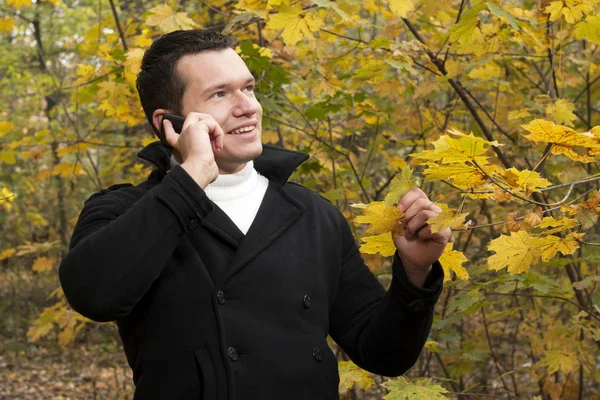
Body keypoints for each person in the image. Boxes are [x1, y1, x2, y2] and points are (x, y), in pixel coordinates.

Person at [59, 29, 449, 400]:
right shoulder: (125, 212)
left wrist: (415, 276)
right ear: (168, 124)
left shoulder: (312, 214)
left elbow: (382, 353)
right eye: (219, 94)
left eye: (247, 88)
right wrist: (192, 177)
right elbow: (93, 295)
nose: (248, 107)